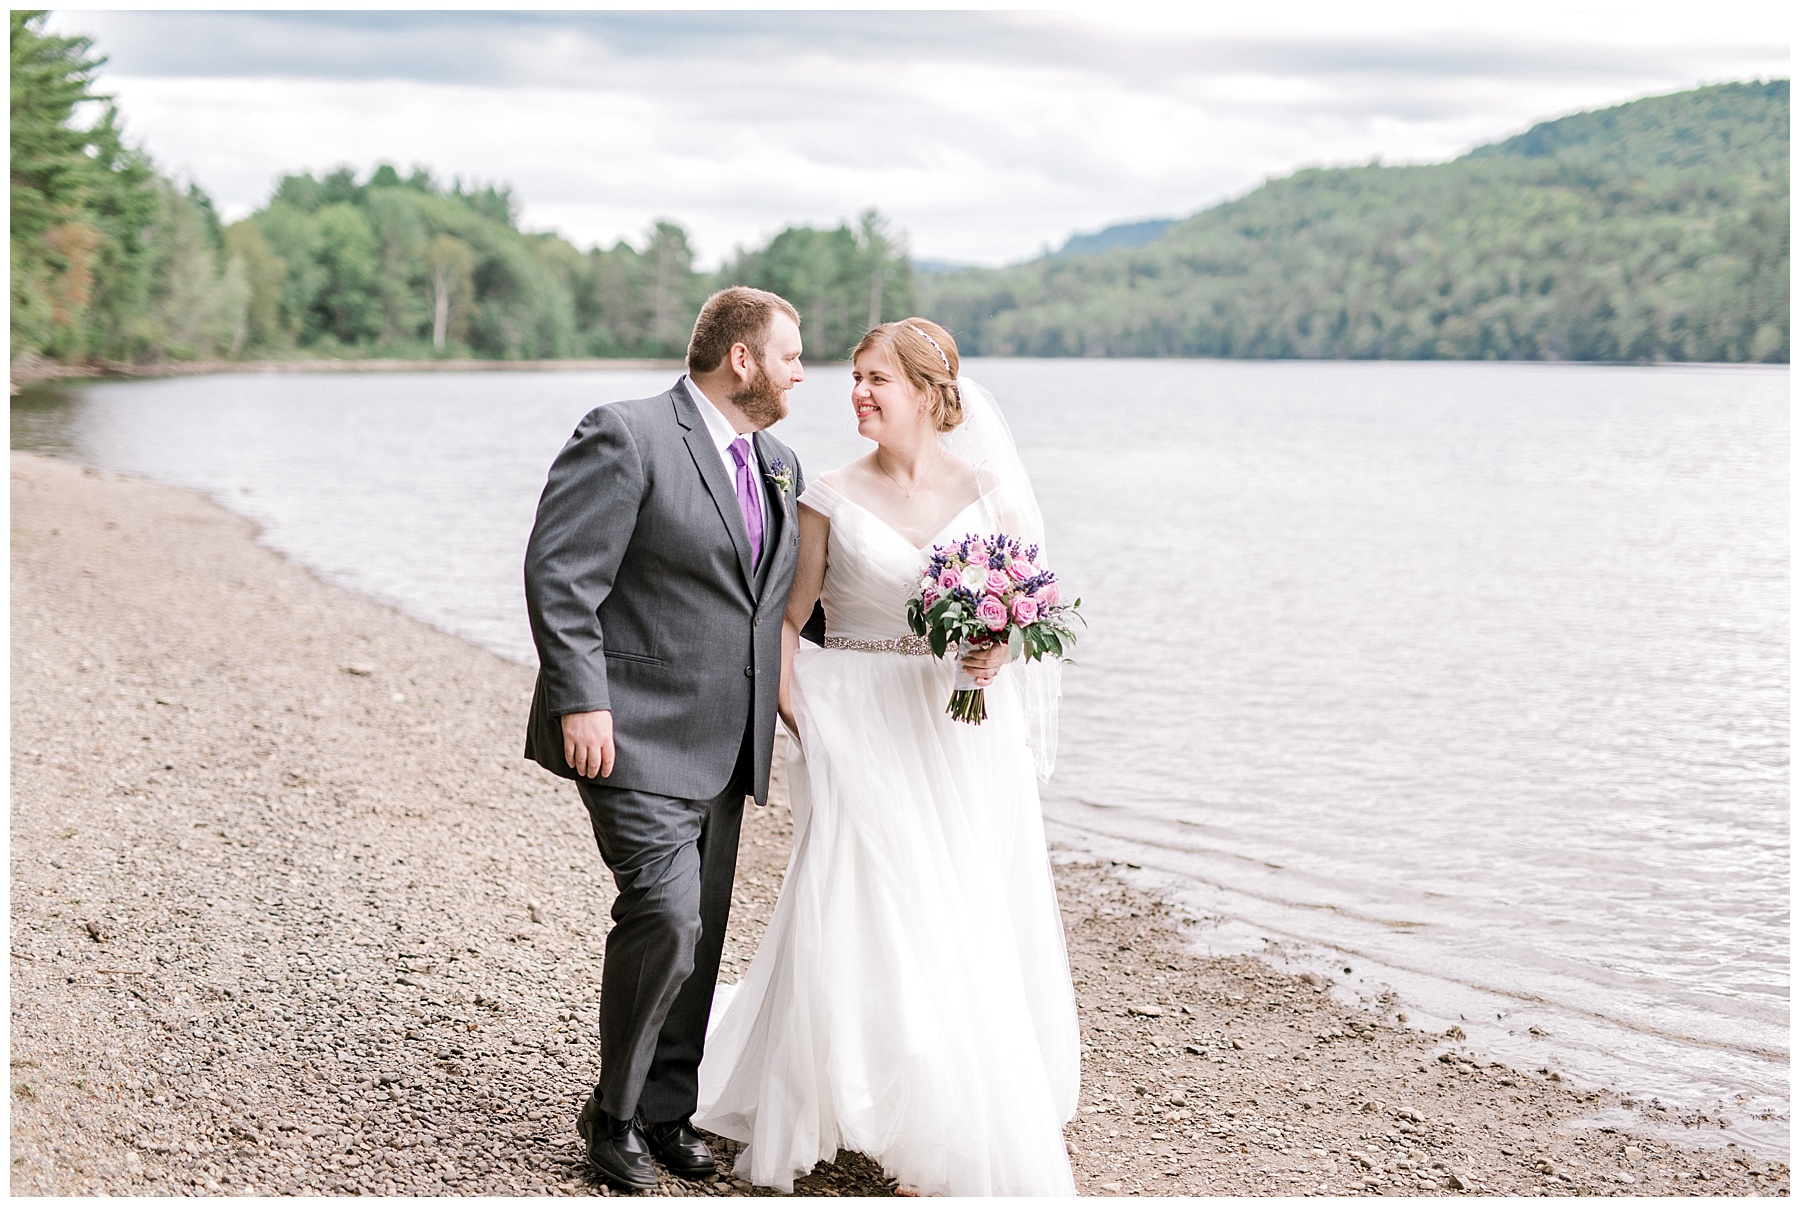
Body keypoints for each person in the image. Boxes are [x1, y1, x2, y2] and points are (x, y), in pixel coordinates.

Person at [693, 319, 1081, 1195]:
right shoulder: (826, 493)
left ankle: (942, 1106)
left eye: (878, 380)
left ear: (932, 395)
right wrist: (802, 721)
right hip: (852, 715)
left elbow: (1023, 621)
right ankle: (855, 1093)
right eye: (856, 378)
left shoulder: (993, 494)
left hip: (958, 726)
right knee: (869, 898)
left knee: (959, 903)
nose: (859, 392)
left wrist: (997, 651)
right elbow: (785, 624)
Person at [521, 286, 810, 1192]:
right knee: (668, 917)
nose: (806, 370)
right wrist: (581, 699)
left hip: (728, 743)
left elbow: (784, 598)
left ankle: (666, 1112)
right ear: (744, 359)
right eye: (793, 353)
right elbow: (561, 572)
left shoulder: (781, 463)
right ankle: (611, 1116)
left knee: (705, 932)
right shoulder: (627, 431)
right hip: (630, 730)